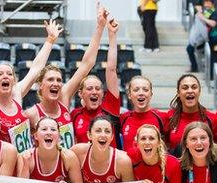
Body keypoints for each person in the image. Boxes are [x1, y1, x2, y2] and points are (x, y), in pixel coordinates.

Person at [24, 3, 108, 150]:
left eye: (59, 80)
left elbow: (86, 64)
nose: (56, 83)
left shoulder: (64, 97)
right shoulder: (31, 114)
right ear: (40, 85)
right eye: (50, 79)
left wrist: (100, 28)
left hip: (68, 169)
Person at [0, 19, 62, 157]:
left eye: (9, 74)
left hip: (26, 161)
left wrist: (50, 40)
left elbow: (36, 69)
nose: (5, 76)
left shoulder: (16, 94)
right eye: (0, 74)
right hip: (5, 164)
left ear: (14, 80)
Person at [71, 18, 121, 146]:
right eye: (89, 88)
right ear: (80, 93)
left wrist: (112, 35)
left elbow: (111, 69)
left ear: (103, 93)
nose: (94, 91)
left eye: (98, 88)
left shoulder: (110, 107)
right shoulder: (74, 115)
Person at [167, 74, 214, 156]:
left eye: (194, 87)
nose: (190, 91)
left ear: (199, 91)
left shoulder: (212, 119)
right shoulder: (169, 117)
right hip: (176, 167)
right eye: (185, 88)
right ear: (178, 93)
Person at [120, 76, 167, 153]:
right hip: (128, 164)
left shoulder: (162, 117)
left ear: (151, 94)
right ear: (129, 95)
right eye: (136, 90)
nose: (141, 93)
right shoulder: (123, 118)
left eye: (145, 90)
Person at [186, 0, 217, 73]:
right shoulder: (203, 12)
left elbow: (213, 24)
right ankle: (194, 67)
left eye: (208, 3)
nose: (207, 5)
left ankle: (211, 75)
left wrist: (203, 18)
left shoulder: (214, 12)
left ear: (212, 4)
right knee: (189, 49)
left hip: (211, 37)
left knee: (211, 55)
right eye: (205, 3)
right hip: (200, 37)